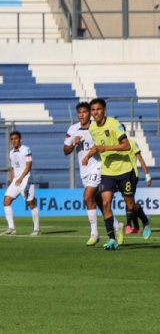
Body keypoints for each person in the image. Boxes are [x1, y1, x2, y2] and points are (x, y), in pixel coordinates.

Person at [85, 98, 150, 248]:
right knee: (106, 203)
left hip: (124, 171)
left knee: (131, 205)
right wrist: (89, 155)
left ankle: (145, 220)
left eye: (98, 109)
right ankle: (112, 239)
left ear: (104, 110)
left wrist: (106, 148)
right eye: (93, 110)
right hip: (107, 172)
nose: (95, 112)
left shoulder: (114, 124)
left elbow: (126, 146)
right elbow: (99, 145)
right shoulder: (92, 128)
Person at [64, 101, 108, 245]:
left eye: (84, 112)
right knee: (99, 202)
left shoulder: (96, 127)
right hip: (84, 171)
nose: (81, 115)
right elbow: (66, 151)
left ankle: (94, 233)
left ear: (90, 113)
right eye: (79, 112)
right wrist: (73, 143)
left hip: (98, 167)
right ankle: (116, 225)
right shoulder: (73, 129)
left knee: (87, 196)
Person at [3, 130, 40, 236]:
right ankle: (11, 228)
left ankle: (37, 229)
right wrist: (12, 180)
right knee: (6, 201)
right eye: (12, 139)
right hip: (16, 181)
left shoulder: (26, 149)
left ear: (20, 139)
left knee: (31, 204)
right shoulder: (11, 152)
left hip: (26, 179)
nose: (14, 141)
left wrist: (22, 177)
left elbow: (29, 165)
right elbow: (13, 168)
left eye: (16, 138)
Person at [125, 137, 153, 235]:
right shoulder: (114, 145)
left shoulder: (132, 143)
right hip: (120, 176)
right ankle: (142, 222)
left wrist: (147, 175)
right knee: (129, 202)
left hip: (132, 176)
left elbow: (140, 158)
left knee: (128, 200)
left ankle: (129, 225)